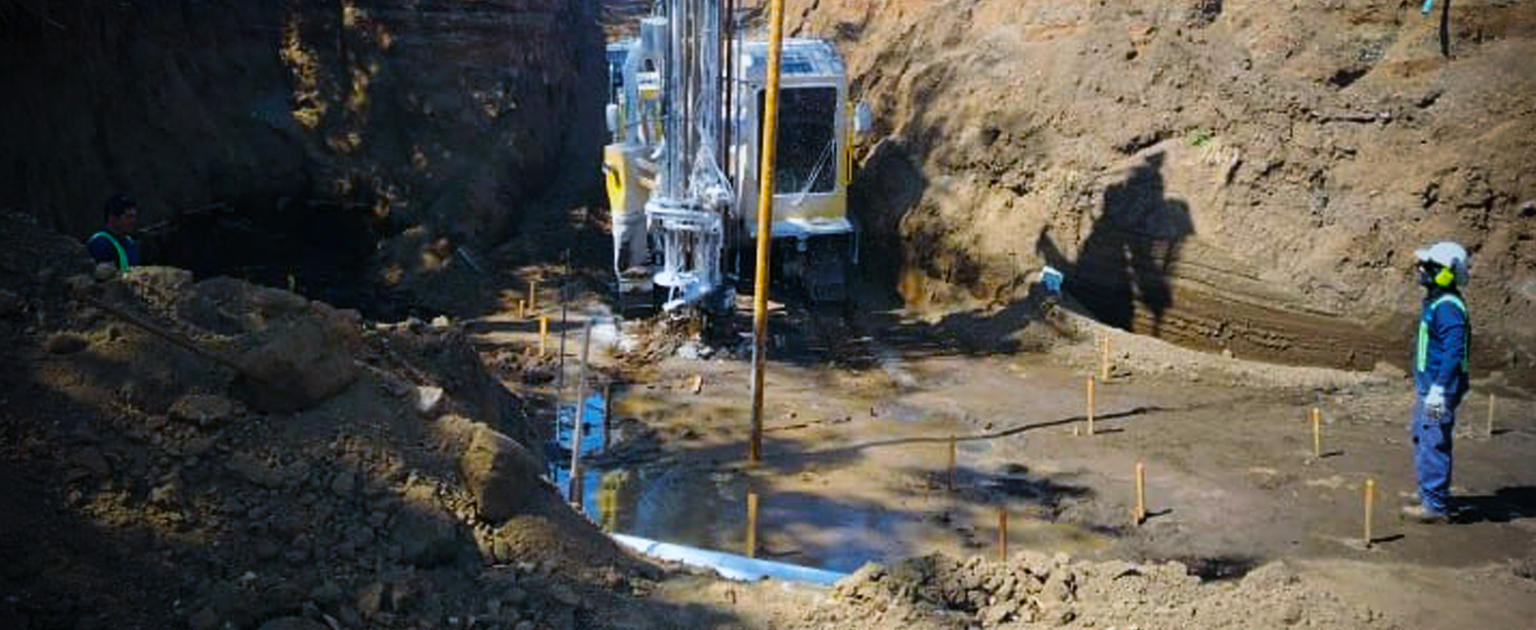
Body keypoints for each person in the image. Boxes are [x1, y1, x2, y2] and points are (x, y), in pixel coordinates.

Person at [1404, 241, 1471, 524]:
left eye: (1427, 267)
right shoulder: (1438, 300)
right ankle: (1428, 492)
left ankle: (1435, 505)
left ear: (1445, 273)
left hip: (1438, 391)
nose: (1421, 271)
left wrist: (1439, 389)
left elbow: (1453, 351)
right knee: (1422, 433)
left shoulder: (1447, 308)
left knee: (1433, 440)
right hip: (1430, 388)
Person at [87, 193, 141, 270]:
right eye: (128, 217)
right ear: (112, 217)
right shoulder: (100, 243)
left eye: (134, 217)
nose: (133, 221)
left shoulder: (129, 242)